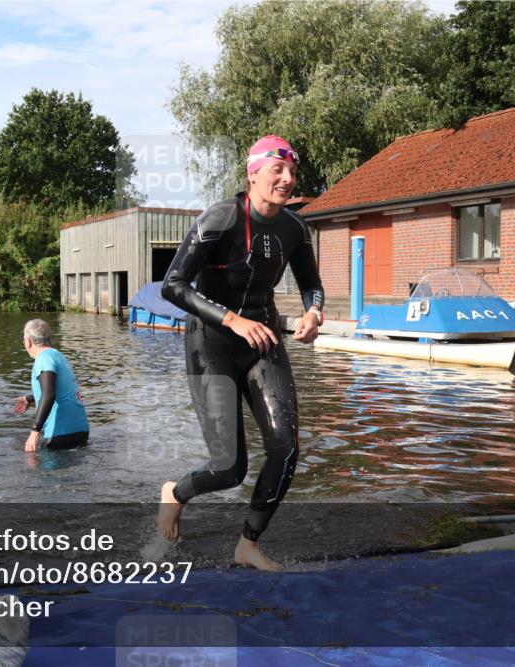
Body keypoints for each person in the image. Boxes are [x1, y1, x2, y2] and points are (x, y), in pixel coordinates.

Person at [157, 135, 325, 571]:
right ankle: (175, 493)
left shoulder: (293, 228)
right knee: (229, 468)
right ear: (253, 174)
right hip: (211, 341)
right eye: (278, 171)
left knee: (286, 448)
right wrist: (232, 319)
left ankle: (248, 543)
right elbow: (172, 285)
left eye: (292, 173)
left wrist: (313, 312)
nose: (287, 180)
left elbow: (312, 283)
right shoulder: (221, 218)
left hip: (263, 339)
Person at [12, 319, 89, 452]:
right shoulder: (59, 356)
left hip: (60, 433)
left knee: (35, 466)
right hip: (81, 431)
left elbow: (49, 394)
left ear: (28, 341)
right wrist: (29, 399)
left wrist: (34, 432)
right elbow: (61, 390)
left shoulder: (43, 359)